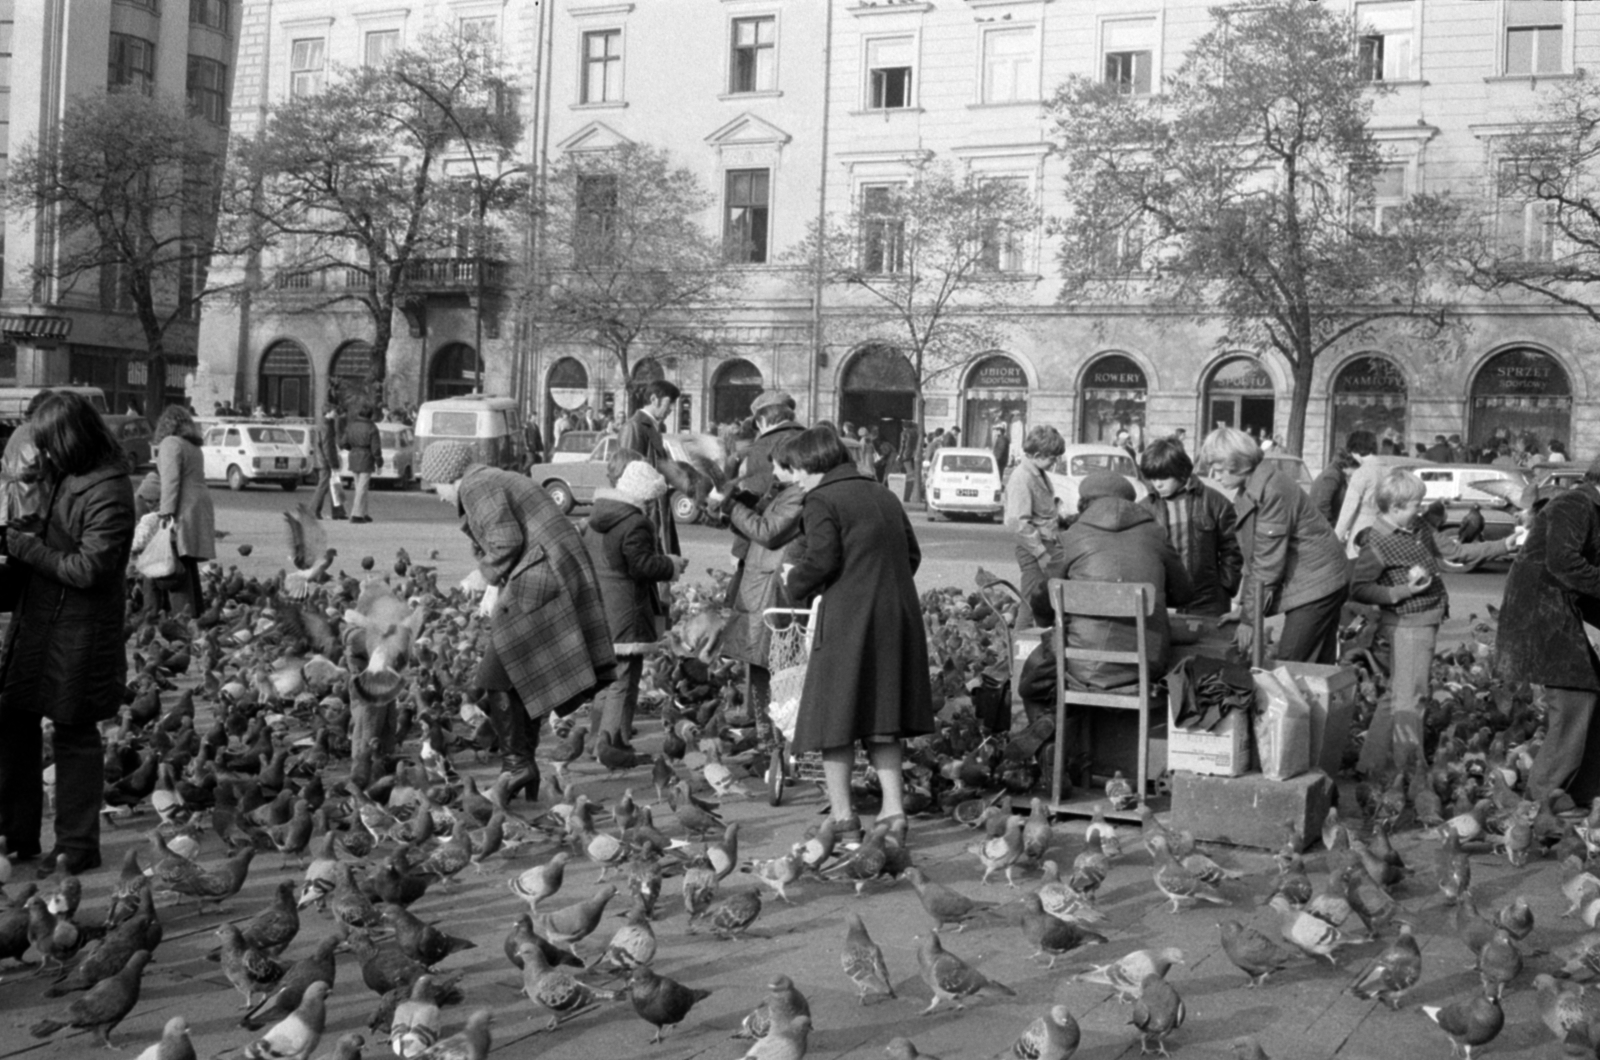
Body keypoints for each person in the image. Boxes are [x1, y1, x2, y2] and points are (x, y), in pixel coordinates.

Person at [421, 441, 616, 802]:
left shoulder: (477, 486)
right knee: (522, 676)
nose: (438, 496)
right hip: (546, 576)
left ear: (447, 476)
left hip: (541, 582)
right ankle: (522, 769)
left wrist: (480, 577)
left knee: (496, 676)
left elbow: (506, 541)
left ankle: (517, 767)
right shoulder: (491, 480)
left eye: (434, 486)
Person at [0, 391, 134, 873]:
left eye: (50, 446)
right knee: (12, 717)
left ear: (70, 439)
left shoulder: (110, 490)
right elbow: (47, 531)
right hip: (39, 622)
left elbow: (89, 568)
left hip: (81, 632)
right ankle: (14, 832)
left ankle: (77, 846)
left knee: (75, 735)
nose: (45, 456)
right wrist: (19, 529)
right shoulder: (65, 476)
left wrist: (23, 546)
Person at [783, 426, 933, 839]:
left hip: (850, 620)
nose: (795, 477)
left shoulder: (821, 500)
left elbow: (822, 560)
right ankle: (893, 812)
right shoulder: (883, 494)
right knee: (883, 719)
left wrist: (793, 581)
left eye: (797, 468)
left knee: (836, 719)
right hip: (897, 618)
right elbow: (912, 553)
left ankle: (845, 818)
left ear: (815, 464)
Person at [1016, 472, 1193, 784]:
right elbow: (1183, 593)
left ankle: (1053, 746)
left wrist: (1046, 620)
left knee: (1032, 684)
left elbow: (1045, 595)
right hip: (1145, 666)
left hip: (1080, 665)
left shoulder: (1073, 536)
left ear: (1085, 503)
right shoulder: (1156, 533)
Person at [1352, 468, 1521, 776]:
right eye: (1415, 504)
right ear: (1395, 507)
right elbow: (1360, 587)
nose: (1421, 509)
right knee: (1412, 697)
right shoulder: (1377, 542)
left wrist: (1504, 545)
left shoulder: (1417, 528)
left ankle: (1371, 764)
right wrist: (1404, 590)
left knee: (1395, 694)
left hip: (1425, 620)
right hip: (1408, 625)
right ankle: (1410, 768)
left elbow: (1456, 551)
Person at [1495, 455, 1600, 803]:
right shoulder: (1575, 503)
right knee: (1575, 701)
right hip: (1545, 619)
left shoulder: (1588, 506)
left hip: (1561, 617)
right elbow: (1563, 562)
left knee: (1589, 703)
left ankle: (1581, 798)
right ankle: (1537, 805)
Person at [1200, 427, 1349, 664]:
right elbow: (1256, 559)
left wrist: (1250, 620)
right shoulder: (1252, 489)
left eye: (1218, 470)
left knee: (1291, 665)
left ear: (1238, 463)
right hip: (1320, 579)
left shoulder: (1271, 490)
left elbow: (1268, 563)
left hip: (1317, 584)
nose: (1214, 477)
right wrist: (1246, 609)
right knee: (1314, 668)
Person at [583, 450, 688, 752]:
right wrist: (671, 564)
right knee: (623, 680)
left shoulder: (597, 518)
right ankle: (613, 744)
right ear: (645, 495)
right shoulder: (636, 523)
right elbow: (641, 566)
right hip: (626, 611)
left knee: (606, 679)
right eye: (653, 500)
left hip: (600, 608)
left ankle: (596, 739)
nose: (654, 506)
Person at [714, 434, 806, 754]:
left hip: (773, 592)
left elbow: (766, 531)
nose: (775, 474)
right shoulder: (787, 490)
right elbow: (760, 515)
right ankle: (767, 742)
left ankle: (776, 745)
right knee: (761, 668)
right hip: (761, 587)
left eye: (779, 468)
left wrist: (732, 504)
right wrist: (736, 498)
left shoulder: (800, 495)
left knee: (775, 671)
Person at [1138, 437, 1241, 616]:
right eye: (1153, 478)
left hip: (1207, 601)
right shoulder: (1143, 508)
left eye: (1164, 477)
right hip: (1162, 601)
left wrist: (1226, 586)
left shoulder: (1215, 502)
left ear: (1181, 472)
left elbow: (1233, 548)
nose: (1158, 484)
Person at [150, 405, 216, 617]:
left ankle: (184, 619)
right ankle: (198, 616)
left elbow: (171, 481)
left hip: (182, 509)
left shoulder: (171, 443)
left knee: (174, 566)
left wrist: (165, 513)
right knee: (188, 565)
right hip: (199, 507)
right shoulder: (192, 445)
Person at [618, 380, 696, 557]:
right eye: (669, 403)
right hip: (644, 512)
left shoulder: (651, 427)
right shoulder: (635, 427)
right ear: (654, 399)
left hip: (654, 508)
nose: (671, 410)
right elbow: (628, 475)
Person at [1004, 425, 1069, 615]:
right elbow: (1017, 522)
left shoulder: (1037, 473)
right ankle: (1021, 642)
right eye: (1052, 457)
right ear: (1039, 454)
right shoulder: (1022, 478)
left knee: (1044, 604)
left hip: (1044, 545)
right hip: (1034, 549)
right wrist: (1040, 553)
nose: (1054, 462)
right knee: (1032, 605)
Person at [1334, 429, 1382, 557]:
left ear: (1354, 449)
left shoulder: (1361, 473)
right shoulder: (1388, 469)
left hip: (1363, 526)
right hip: (1384, 525)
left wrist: (1336, 536)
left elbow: (1348, 509)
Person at [342, 403, 382, 524]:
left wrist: (352, 448)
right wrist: (379, 461)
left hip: (354, 455)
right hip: (366, 456)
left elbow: (343, 442)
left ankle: (363, 512)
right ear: (370, 415)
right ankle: (357, 515)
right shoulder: (372, 427)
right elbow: (375, 448)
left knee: (359, 486)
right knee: (362, 488)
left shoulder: (351, 426)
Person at [310, 405, 348, 521]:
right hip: (325, 461)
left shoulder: (325, 424)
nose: (335, 413)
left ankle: (338, 511)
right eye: (334, 411)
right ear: (328, 412)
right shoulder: (326, 426)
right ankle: (313, 510)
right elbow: (327, 447)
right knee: (324, 486)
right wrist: (333, 463)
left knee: (332, 486)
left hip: (323, 460)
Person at [1311, 449, 1356, 529]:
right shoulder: (1332, 476)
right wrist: (1333, 527)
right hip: (1321, 529)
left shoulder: (1337, 474)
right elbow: (1322, 505)